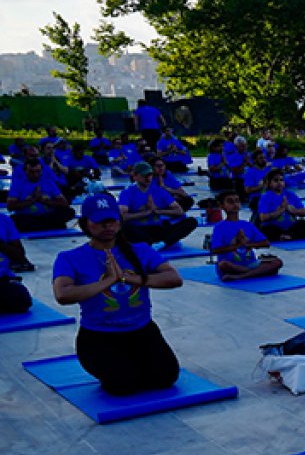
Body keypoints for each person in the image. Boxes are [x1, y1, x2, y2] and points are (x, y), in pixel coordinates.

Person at [51, 193, 183, 395]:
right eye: (100, 222)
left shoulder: (140, 250)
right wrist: (108, 281)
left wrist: (129, 278)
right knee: (123, 385)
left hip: (141, 330)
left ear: (120, 222)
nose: (108, 226)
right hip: (99, 335)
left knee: (166, 377)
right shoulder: (69, 258)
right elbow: (63, 294)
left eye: (112, 221)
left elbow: (174, 278)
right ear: (86, 224)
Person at [117, 162, 198, 247]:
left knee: (191, 221)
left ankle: (162, 243)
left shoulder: (159, 191)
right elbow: (121, 217)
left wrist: (157, 211)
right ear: (135, 176)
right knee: (124, 227)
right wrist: (146, 213)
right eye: (144, 175)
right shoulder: (127, 193)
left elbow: (179, 211)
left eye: (150, 175)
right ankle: (152, 243)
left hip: (158, 228)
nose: (148, 178)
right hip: (138, 229)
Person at [210, 191, 284, 281]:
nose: (235, 204)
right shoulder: (219, 227)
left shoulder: (247, 225)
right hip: (231, 264)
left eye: (237, 201)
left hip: (250, 263)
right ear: (221, 206)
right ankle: (255, 272)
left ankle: (242, 275)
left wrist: (247, 245)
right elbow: (215, 250)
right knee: (223, 265)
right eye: (230, 202)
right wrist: (238, 245)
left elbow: (266, 243)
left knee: (277, 262)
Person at [6, 158, 75, 233]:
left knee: (69, 212)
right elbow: (10, 206)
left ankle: (40, 225)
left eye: (38, 171)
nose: (35, 175)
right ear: (25, 171)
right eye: (31, 172)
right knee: (14, 220)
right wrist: (33, 199)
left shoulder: (49, 182)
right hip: (27, 216)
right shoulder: (17, 184)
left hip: (48, 215)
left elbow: (64, 203)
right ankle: (49, 225)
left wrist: (44, 201)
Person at [256, 169, 305, 242]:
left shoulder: (290, 194)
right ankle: (287, 236)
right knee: (263, 229)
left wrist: (293, 210)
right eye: (276, 180)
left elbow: (303, 212)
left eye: (281, 180)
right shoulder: (266, 197)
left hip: (292, 227)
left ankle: (288, 236)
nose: (279, 183)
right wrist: (280, 210)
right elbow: (263, 218)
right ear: (269, 183)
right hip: (275, 227)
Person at [0, 214, 34, 313]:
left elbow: (20, 256)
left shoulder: (3, 220)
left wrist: (1, 245)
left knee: (21, 299)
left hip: (2, 279)